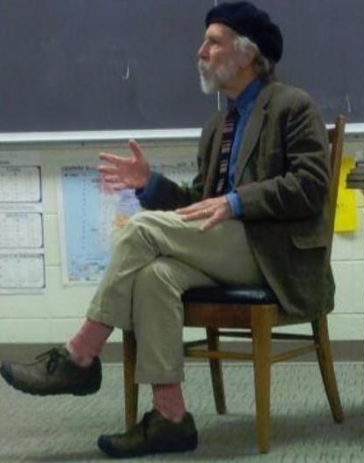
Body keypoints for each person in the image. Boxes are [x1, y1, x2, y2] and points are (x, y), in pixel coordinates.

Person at [0, 1, 334, 458]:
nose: (201, 51)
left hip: (274, 256)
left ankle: (80, 355)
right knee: (156, 277)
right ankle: (170, 417)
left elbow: (311, 186)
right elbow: (198, 207)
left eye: (213, 42)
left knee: (141, 232)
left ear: (248, 53)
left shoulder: (293, 106)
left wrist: (238, 201)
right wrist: (150, 184)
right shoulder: (219, 125)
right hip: (226, 250)